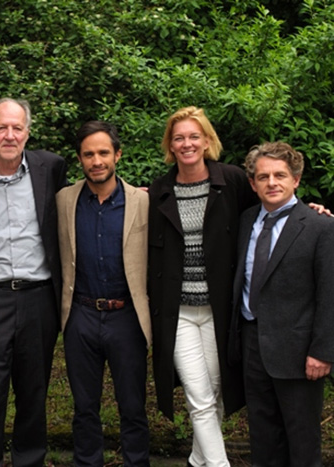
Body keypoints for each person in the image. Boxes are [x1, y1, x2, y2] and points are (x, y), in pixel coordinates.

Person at [0, 98, 67, 467]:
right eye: (1, 127)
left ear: (27, 132)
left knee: (33, 398)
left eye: (16, 128)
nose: (9, 135)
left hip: (39, 299)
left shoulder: (50, 168)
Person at [148, 106, 257, 467]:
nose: (187, 143)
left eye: (194, 135)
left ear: (207, 140)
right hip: (178, 312)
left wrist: (310, 211)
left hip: (219, 310)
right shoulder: (159, 191)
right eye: (179, 137)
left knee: (215, 393)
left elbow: (267, 212)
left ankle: (197, 460)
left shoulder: (233, 181)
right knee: (198, 395)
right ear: (170, 145)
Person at [231, 141, 334, 466]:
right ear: (252, 183)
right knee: (263, 437)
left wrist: (322, 351)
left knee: (302, 440)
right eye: (263, 177)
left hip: (299, 351)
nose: (272, 182)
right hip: (252, 344)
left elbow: (329, 294)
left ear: (296, 180)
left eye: (280, 175)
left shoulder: (320, 226)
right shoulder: (246, 220)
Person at [57, 121, 151, 466]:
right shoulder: (64, 200)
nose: (96, 160)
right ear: (80, 158)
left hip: (127, 316)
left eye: (103, 153)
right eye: (88, 154)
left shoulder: (142, 201)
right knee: (84, 408)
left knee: (133, 406)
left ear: (118, 155)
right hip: (80, 315)